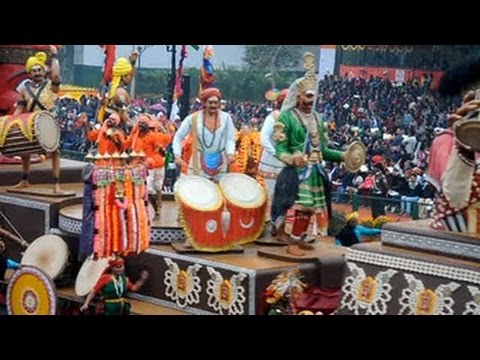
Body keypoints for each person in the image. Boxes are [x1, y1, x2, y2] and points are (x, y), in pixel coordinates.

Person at [273, 53, 352, 256]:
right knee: (300, 206)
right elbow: (280, 149)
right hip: (296, 172)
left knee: (311, 208)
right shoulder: (286, 118)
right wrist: (293, 158)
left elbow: (323, 151)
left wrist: (343, 156)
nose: (311, 101)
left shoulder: (318, 118)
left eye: (313, 97)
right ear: (298, 96)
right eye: (307, 96)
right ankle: (290, 240)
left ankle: (298, 239)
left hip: (315, 170)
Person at [13, 45, 64, 194]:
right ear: (29, 73)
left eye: (39, 70)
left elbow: (55, 76)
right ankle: (24, 180)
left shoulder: (51, 86)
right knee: (25, 151)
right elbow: (20, 108)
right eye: (34, 71)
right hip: (30, 123)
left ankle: (56, 184)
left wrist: (54, 56)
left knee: (55, 152)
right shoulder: (24, 89)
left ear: (44, 71)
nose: (37, 73)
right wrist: (10, 123)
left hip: (48, 122)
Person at [172, 88, 236, 182]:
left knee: (220, 191)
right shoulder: (193, 118)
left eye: (215, 102)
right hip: (197, 160)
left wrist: (230, 154)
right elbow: (178, 137)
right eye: (210, 102)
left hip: (221, 160)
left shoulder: (226, 118)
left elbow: (230, 139)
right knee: (197, 191)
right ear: (204, 103)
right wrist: (177, 156)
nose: (213, 105)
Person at [126, 115, 172, 218]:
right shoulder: (135, 136)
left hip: (150, 165)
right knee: (153, 188)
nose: (141, 126)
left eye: (144, 124)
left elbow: (163, 145)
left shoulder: (154, 136)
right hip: (141, 166)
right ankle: (153, 208)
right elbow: (126, 144)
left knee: (153, 188)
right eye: (140, 123)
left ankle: (156, 209)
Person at [259, 89, 288, 228]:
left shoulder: (294, 118)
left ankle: (279, 227)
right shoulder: (273, 117)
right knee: (269, 195)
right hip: (271, 163)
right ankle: (265, 225)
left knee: (284, 197)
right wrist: (277, 153)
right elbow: (264, 138)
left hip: (286, 164)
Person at [80, 257, 148, 315]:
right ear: (112, 268)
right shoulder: (105, 278)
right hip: (109, 307)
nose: (120, 269)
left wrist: (142, 279)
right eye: (117, 267)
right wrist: (86, 304)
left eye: (121, 266)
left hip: (121, 307)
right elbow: (93, 292)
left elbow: (134, 288)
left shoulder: (124, 279)